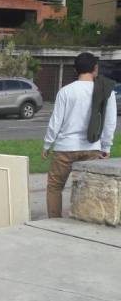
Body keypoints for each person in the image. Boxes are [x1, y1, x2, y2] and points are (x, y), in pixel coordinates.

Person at [43, 52, 116, 218]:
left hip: (65, 148)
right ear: (95, 68)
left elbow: (56, 122)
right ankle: (85, 220)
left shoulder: (66, 91)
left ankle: (54, 221)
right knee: (88, 188)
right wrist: (106, 147)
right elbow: (110, 122)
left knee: (55, 187)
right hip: (92, 148)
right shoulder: (106, 91)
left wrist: (47, 145)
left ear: (75, 70)